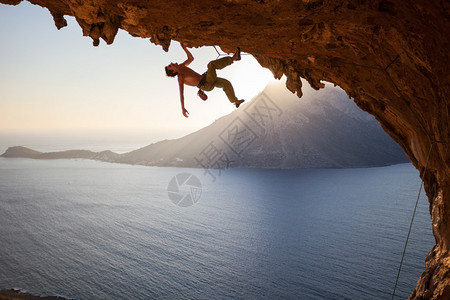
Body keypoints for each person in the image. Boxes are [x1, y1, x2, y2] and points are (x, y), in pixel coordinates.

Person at [165, 43, 245, 118]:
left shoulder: (182, 66)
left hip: (207, 79)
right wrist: (183, 108)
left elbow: (191, 59)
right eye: (170, 66)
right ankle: (234, 58)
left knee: (226, 84)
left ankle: (235, 101)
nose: (171, 63)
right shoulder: (180, 77)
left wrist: (184, 48)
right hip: (206, 85)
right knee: (211, 65)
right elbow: (181, 93)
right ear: (173, 71)